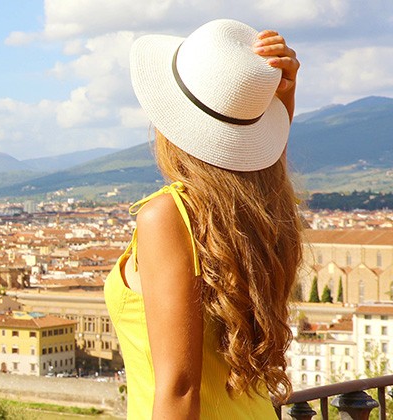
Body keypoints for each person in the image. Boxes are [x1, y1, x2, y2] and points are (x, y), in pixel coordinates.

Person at [107, 19, 302, 419]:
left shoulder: (167, 216)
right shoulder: (263, 213)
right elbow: (261, 169)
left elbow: (179, 389)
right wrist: (280, 98)